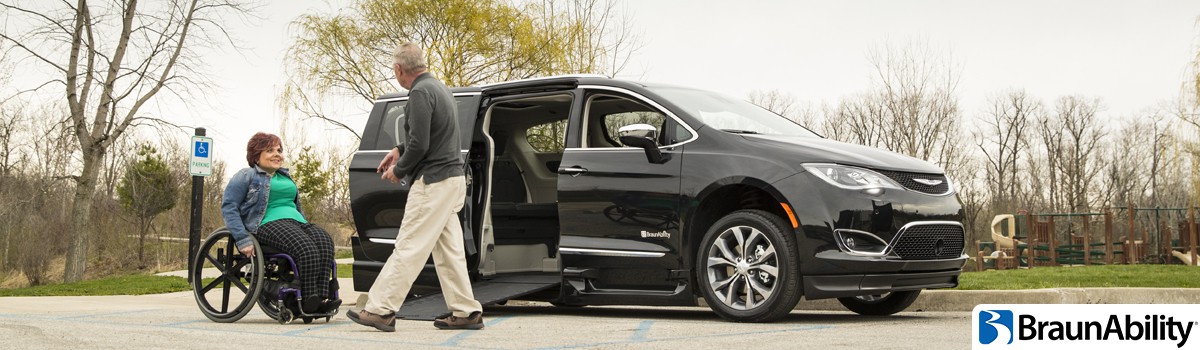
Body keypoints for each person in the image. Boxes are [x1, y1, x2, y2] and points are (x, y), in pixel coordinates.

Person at [346, 42, 484, 332]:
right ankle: (466, 312)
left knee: (409, 246)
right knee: (449, 251)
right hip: (452, 180)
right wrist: (398, 149)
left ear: (399, 69)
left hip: (433, 183)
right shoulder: (439, 88)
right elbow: (429, 135)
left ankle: (380, 309)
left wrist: (400, 169)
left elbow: (420, 143)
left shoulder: (420, 92)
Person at [221, 132, 341, 314]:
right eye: (270, 150)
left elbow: (294, 205)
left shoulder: (285, 176)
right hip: (266, 224)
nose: (277, 154)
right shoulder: (246, 175)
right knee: (306, 249)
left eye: (279, 150)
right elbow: (229, 207)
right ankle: (308, 299)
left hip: (297, 221)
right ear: (256, 155)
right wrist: (242, 239)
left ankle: (321, 298)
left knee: (325, 243)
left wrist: (304, 223)